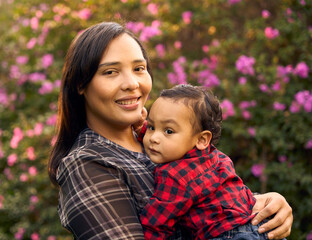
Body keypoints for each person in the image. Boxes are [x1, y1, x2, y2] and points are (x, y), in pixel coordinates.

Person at [48, 21, 293, 239]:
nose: (132, 84)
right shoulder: (87, 163)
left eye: (139, 68)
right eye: (110, 72)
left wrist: (264, 205)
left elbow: (210, 192)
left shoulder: (158, 139)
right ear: (81, 84)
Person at [138, 84, 286, 240]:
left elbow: (157, 223)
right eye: (152, 127)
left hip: (229, 235)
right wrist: (140, 128)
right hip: (258, 223)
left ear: (202, 139)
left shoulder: (175, 176)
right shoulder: (216, 157)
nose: (154, 138)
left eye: (169, 131)